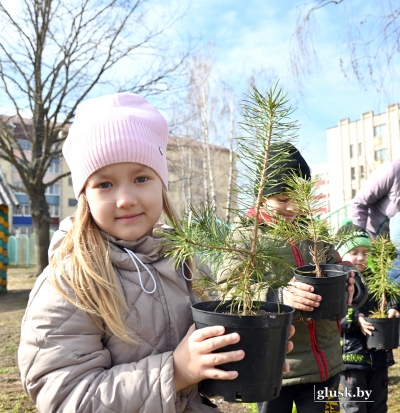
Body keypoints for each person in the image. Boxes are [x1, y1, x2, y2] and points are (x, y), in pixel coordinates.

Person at [18, 93, 295, 413]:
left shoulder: (184, 259)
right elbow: (66, 396)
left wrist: (244, 351)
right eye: (104, 184)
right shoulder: (71, 279)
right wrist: (176, 371)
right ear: (85, 195)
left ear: (160, 184)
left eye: (141, 178)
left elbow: (201, 359)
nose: (125, 199)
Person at [217, 145, 361, 413]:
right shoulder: (246, 237)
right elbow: (231, 293)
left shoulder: (316, 231)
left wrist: (352, 285)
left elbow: (339, 269)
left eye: (298, 197)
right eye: (282, 200)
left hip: (325, 366)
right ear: (261, 197)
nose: (292, 207)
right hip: (274, 367)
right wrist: (279, 298)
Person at [337, 220, 400, 413]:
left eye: (365, 253)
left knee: (378, 405)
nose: (361, 258)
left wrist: (393, 307)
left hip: (379, 355)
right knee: (355, 406)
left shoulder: (375, 279)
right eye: (354, 252)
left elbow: (391, 297)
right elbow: (334, 315)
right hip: (351, 358)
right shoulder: (338, 282)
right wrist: (356, 319)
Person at [350, 158, 400, 239]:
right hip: (372, 238)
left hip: (396, 243)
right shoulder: (393, 170)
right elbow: (358, 203)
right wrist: (360, 239)